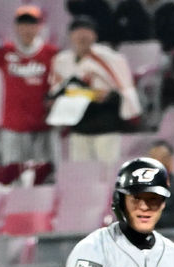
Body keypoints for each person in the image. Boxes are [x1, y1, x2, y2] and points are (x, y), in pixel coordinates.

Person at [0, 2, 57, 170]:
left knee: (43, 177)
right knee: (14, 178)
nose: (27, 29)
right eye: (23, 24)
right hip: (13, 129)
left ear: (40, 27)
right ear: (16, 27)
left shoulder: (52, 54)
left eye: (32, 24)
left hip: (44, 130)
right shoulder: (6, 51)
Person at [49, 16, 142, 162]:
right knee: (81, 175)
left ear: (95, 35)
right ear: (70, 36)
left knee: (108, 174)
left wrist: (109, 96)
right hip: (79, 129)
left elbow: (127, 93)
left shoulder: (111, 59)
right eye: (77, 32)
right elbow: (55, 92)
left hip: (105, 128)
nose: (82, 37)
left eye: (86, 32)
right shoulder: (61, 61)